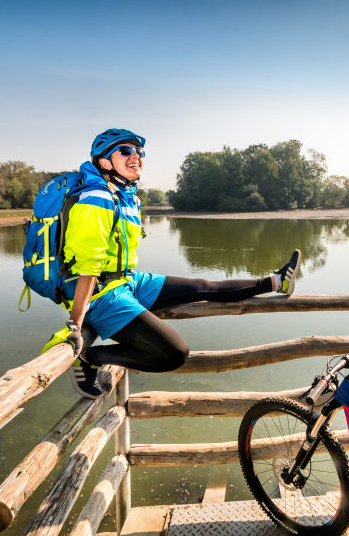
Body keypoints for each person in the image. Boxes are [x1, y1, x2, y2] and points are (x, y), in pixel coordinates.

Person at [43, 128, 301, 398]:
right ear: (105, 163)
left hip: (125, 281)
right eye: (124, 151)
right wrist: (75, 326)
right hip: (101, 295)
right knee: (175, 353)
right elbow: (88, 267)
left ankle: (276, 281)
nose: (135, 156)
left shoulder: (123, 195)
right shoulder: (96, 199)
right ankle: (88, 357)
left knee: (203, 286)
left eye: (138, 151)